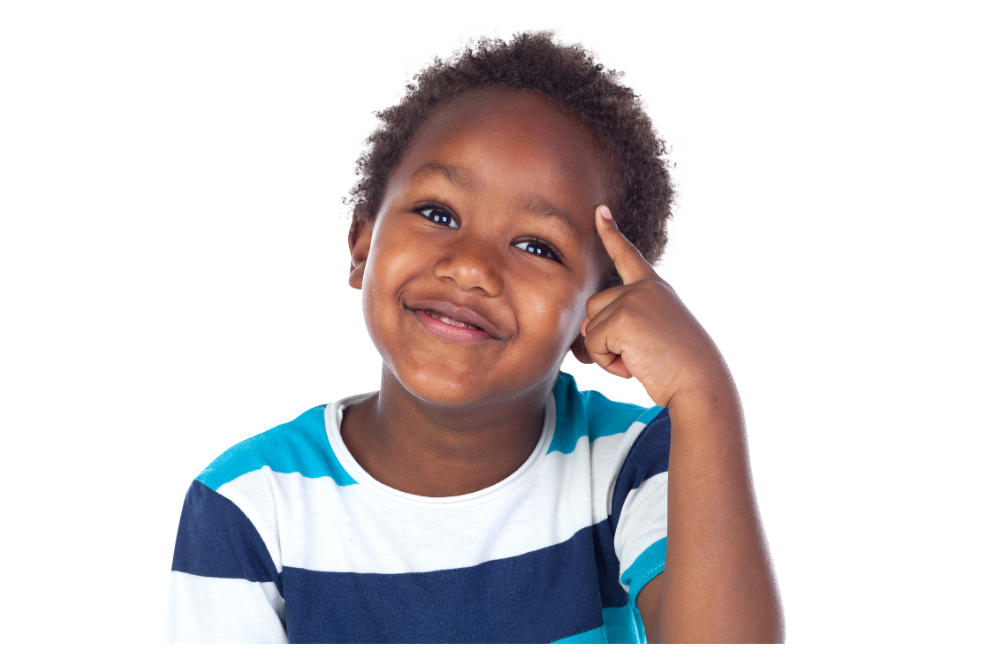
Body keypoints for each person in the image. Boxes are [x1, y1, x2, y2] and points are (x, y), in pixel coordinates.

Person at [165, 32, 784, 643]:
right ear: (362, 246)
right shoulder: (249, 505)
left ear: (599, 311)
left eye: (537, 246)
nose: (470, 268)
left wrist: (703, 392)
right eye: (437, 214)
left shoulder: (634, 463)